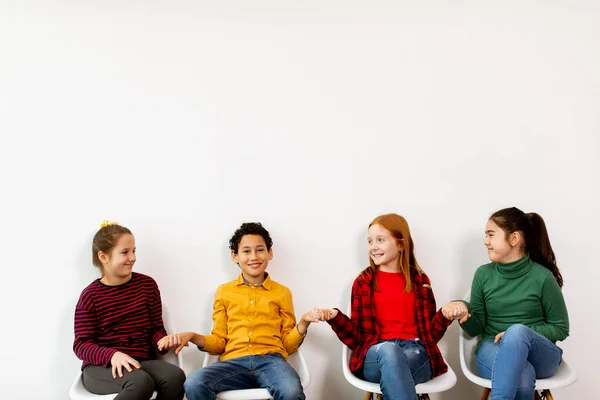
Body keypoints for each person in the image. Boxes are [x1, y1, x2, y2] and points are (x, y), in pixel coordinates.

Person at [316, 214, 452, 400]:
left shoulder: (420, 281)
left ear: (401, 244)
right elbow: (356, 340)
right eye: (370, 241)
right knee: (390, 351)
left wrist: (445, 315)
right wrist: (334, 317)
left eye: (380, 240)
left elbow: (430, 335)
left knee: (397, 370)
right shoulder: (363, 282)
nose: (373, 247)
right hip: (376, 354)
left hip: (415, 352)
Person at [176, 222, 318, 400]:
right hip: (233, 363)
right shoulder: (224, 292)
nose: (254, 256)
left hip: (272, 361)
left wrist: (303, 323)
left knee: (290, 390)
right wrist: (192, 336)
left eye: (260, 250)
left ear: (270, 252)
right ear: (234, 256)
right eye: (246, 251)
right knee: (194, 383)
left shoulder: (282, 293)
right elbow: (219, 342)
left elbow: (287, 345)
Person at [443, 207, 569, 400]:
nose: (486, 241)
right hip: (492, 349)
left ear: (514, 239)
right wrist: (464, 314)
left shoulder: (543, 278)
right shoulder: (483, 275)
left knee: (517, 332)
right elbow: (476, 328)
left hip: (541, 357)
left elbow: (560, 328)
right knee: (522, 374)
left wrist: (520, 335)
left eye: (491, 235)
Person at [73, 221, 185, 400]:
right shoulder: (90, 296)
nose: (132, 257)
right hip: (101, 368)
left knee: (175, 376)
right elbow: (81, 345)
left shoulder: (147, 286)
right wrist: (112, 355)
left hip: (140, 362)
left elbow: (155, 329)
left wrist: (163, 342)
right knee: (141, 382)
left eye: (134, 251)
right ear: (103, 257)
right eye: (125, 252)